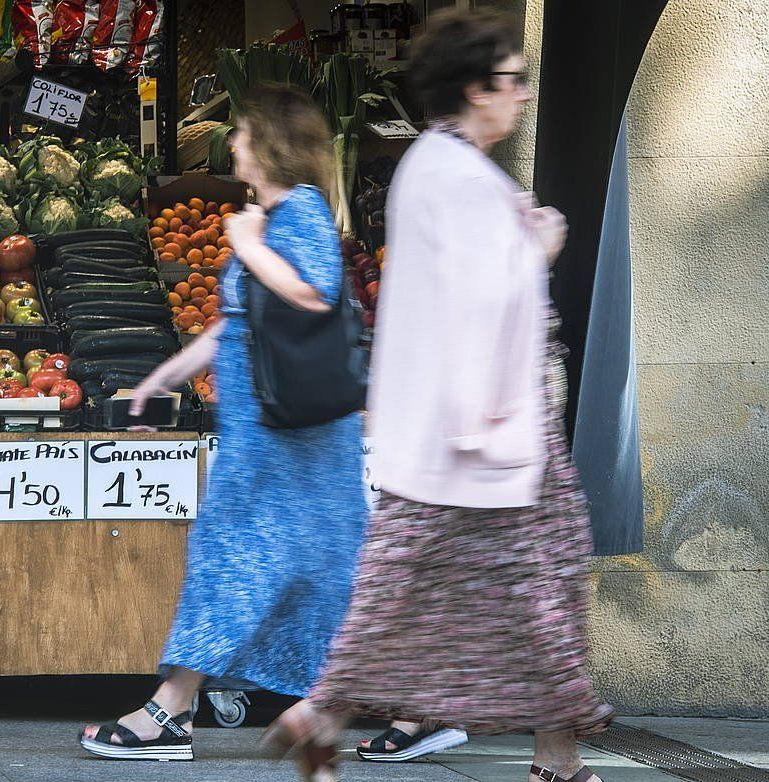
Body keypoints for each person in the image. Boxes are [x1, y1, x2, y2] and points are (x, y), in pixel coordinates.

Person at [262, 9, 614, 782]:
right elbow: (488, 300)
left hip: (446, 430)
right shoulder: (465, 180)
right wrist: (538, 250)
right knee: (536, 597)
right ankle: (332, 714)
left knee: (454, 593)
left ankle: (549, 754)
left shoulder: (431, 165)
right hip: (483, 433)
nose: (523, 96)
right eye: (513, 82)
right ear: (476, 89)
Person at [78, 85, 369, 762]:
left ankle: (171, 711)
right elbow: (237, 328)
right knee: (277, 567)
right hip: (268, 442)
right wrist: (158, 381)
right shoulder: (271, 217)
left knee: (236, 564)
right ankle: (307, 706)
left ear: (270, 145)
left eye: (240, 133)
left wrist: (247, 242)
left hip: (286, 445)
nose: (231, 143)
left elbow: (314, 293)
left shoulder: (295, 213)